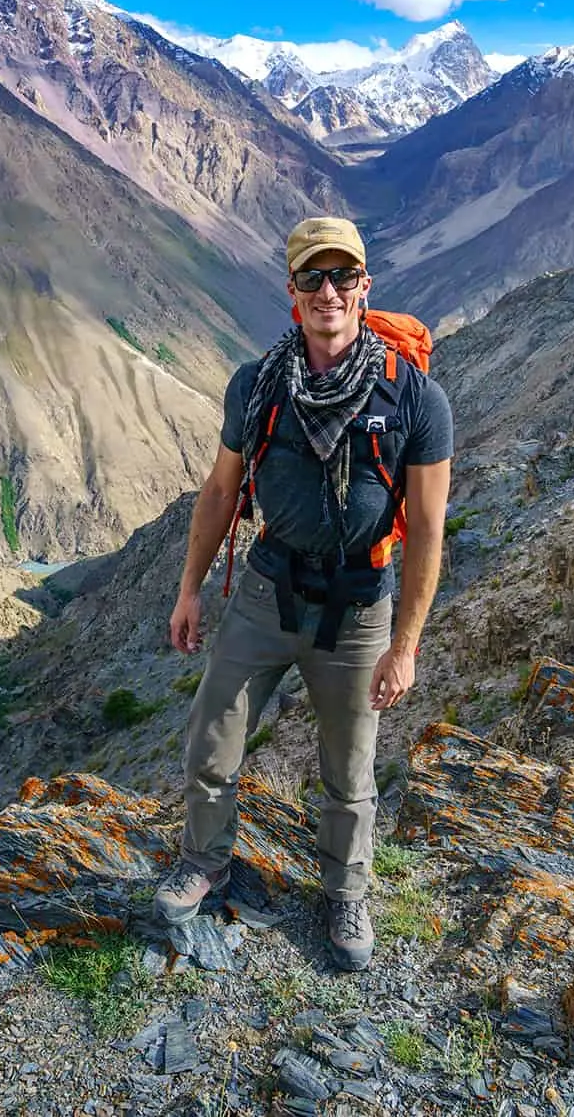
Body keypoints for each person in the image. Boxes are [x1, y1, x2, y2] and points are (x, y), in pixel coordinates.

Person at [154, 215, 452, 971]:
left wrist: (406, 645)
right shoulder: (257, 386)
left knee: (349, 770)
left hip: (357, 610)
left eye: (342, 276)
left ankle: (345, 892)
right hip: (267, 590)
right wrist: (189, 591)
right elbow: (222, 492)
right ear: (291, 289)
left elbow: (427, 532)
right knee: (211, 738)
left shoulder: (415, 399)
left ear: (364, 286)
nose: (329, 291)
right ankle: (206, 859)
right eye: (313, 277)